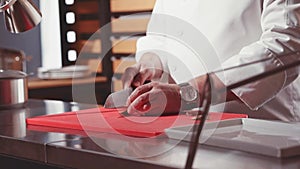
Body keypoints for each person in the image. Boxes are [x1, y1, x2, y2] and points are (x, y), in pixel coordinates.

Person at [121, 0, 300, 121]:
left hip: (260, 131)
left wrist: (186, 94)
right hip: (185, 128)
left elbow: (283, 46)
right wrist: (149, 63)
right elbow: (161, 36)